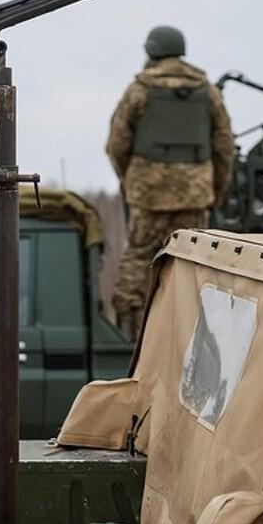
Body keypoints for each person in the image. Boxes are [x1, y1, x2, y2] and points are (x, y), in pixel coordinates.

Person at [106, 25, 233, 339]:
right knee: (194, 262)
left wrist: (133, 178)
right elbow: (224, 145)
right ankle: (193, 334)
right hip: (195, 194)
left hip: (148, 194)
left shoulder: (139, 89)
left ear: (150, 50)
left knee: (138, 258)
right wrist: (213, 189)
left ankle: (128, 338)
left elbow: (117, 143)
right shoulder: (207, 91)